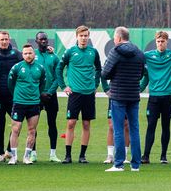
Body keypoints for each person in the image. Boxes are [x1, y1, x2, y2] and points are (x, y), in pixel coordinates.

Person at [55, 25, 102, 164]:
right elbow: (59, 68)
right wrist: (63, 86)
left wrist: (95, 84)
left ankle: (82, 156)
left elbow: (99, 69)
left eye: (86, 35)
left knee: (86, 124)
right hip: (75, 93)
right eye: (81, 36)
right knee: (71, 123)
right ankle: (68, 155)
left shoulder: (93, 52)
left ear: (88, 37)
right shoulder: (70, 52)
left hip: (89, 93)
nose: (84, 38)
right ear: (77, 36)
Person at [102, 27, 145, 172]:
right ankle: (135, 165)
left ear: (119, 38)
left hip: (118, 95)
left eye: (114, 38)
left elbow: (105, 73)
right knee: (134, 129)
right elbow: (141, 74)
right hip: (133, 94)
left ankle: (118, 164)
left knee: (118, 129)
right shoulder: (139, 52)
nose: (114, 40)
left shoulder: (115, 51)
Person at [139, 31, 171, 164]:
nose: (160, 43)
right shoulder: (148, 55)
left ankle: (163, 156)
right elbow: (137, 59)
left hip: (168, 97)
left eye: (163, 41)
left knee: (166, 126)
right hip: (153, 98)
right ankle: (146, 156)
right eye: (158, 41)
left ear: (167, 41)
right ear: (155, 42)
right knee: (151, 126)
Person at [7, 44, 46, 164]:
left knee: (32, 130)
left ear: (34, 54)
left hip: (34, 103)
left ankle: (26, 157)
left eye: (30, 53)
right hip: (19, 103)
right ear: (22, 55)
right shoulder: (17, 67)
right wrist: (17, 96)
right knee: (16, 129)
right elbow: (10, 83)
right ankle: (13, 157)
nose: (28, 56)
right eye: (25, 53)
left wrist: (36, 95)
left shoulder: (40, 68)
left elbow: (42, 85)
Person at [0, 31, 23, 161]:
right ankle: (0, 154)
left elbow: (27, 61)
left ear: (9, 40)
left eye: (6, 39)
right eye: (2, 39)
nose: (4, 41)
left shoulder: (16, 54)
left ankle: (9, 150)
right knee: (0, 125)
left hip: (12, 96)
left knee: (17, 123)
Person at [33, 31, 61, 162]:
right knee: (33, 126)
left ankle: (53, 154)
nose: (43, 41)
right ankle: (32, 153)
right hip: (36, 96)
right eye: (41, 39)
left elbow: (57, 76)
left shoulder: (54, 57)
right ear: (36, 41)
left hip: (51, 95)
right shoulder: (32, 55)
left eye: (45, 39)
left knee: (52, 124)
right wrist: (39, 93)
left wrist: (50, 92)